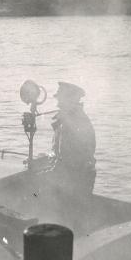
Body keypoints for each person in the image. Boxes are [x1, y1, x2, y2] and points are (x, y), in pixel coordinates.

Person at [39, 82, 96, 230]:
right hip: (74, 177)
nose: (57, 101)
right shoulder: (69, 118)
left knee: (67, 222)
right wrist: (47, 158)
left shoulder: (72, 122)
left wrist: (44, 175)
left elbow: (68, 161)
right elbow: (61, 153)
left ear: (70, 100)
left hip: (74, 181)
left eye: (61, 98)